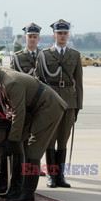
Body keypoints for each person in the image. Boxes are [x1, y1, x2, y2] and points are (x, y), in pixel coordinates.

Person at [0, 58, 67, 201]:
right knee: (21, 147)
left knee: (32, 150)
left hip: (49, 108)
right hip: (36, 108)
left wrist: (13, 138)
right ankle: (16, 188)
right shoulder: (3, 75)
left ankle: (27, 193)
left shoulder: (10, 82)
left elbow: (19, 112)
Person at [35, 19, 83, 188]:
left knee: (63, 140)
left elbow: (79, 82)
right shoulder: (44, 55)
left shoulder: (75, 55)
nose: (62, 36)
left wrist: (78, 106)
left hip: (69, 102)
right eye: (59, 33)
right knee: (50, 140)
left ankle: (60, 176)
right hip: (51, 101)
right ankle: (51, 176)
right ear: (53, 35)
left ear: (68, 35)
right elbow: (38, 79)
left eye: (64, 33)